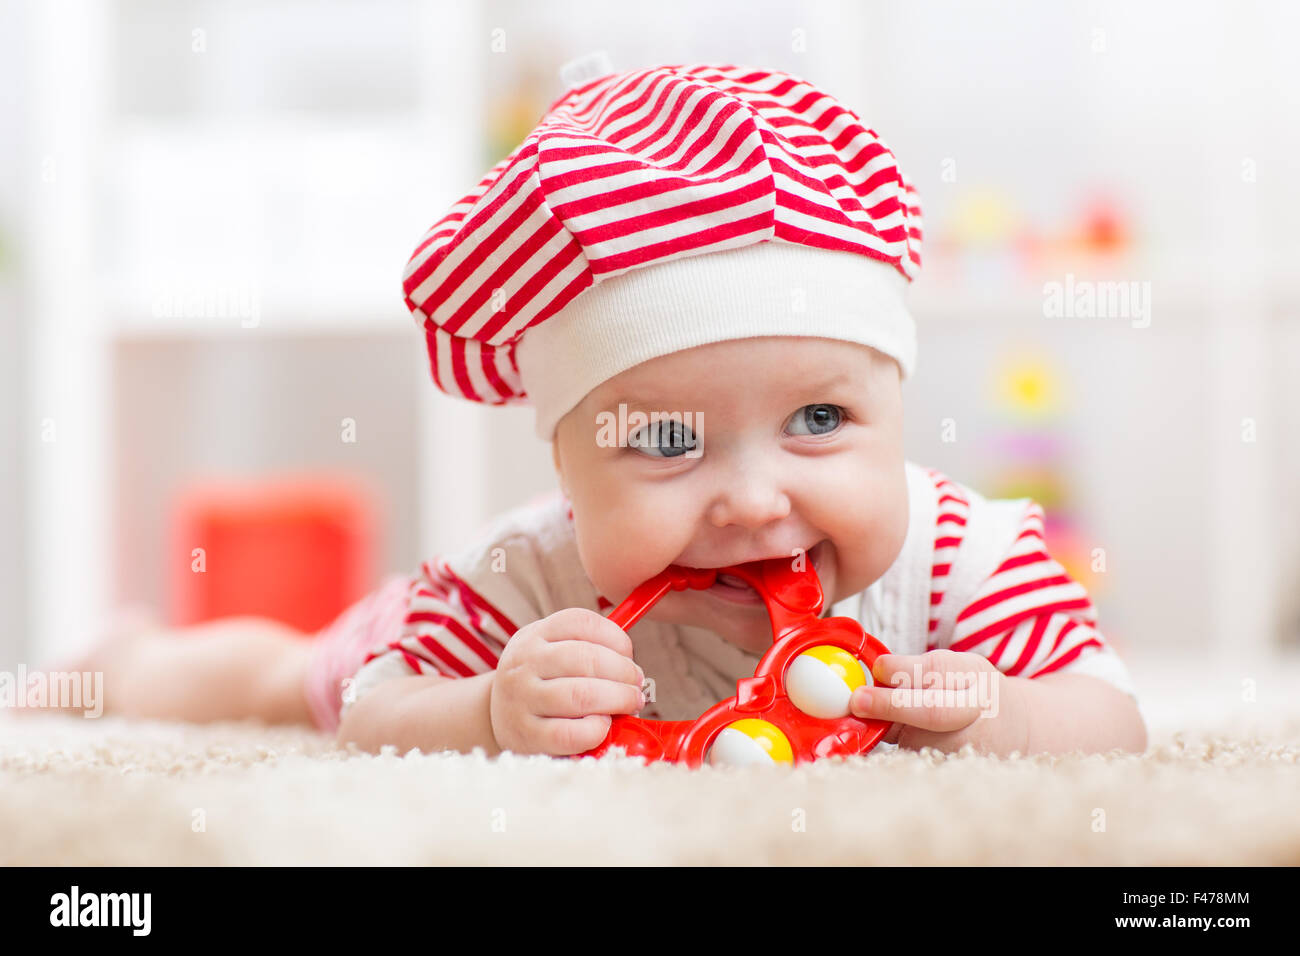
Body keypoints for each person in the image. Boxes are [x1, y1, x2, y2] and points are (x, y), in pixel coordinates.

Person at [53, 62, 1147, 760]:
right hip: (418, 651)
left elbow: (1112, 717)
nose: (757, 499)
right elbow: (382, 707)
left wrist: (998, 709)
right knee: (275, 684)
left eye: (818, 419)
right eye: (668, 439)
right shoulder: (523, 577)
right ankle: (127, 658)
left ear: (894, 404)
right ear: (568, 467)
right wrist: (485, 710)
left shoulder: (963, 555)